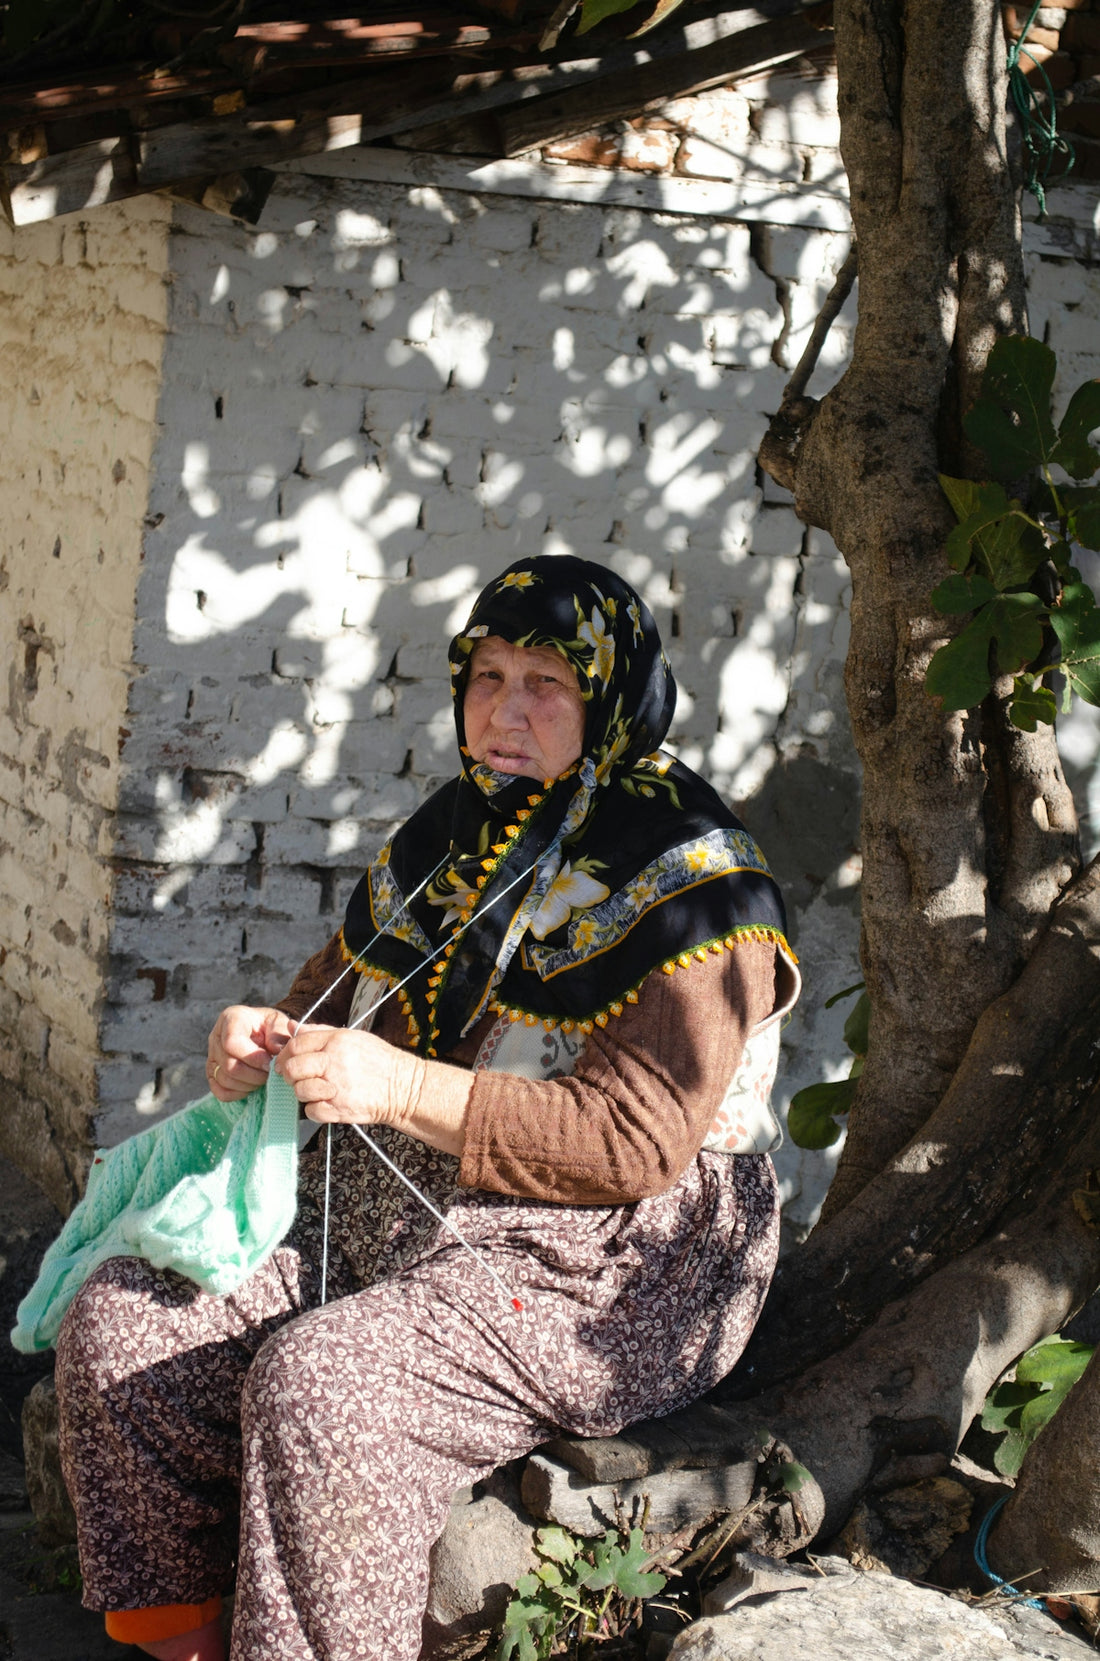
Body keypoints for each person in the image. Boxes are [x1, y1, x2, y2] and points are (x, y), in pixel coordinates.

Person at [54, 555, 799, 1661]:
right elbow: (333, 991)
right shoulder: (461, 828)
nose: (504, 709)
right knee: (121, 1319)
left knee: (327, 1387)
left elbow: (634, 1142)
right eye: (485, 673)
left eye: (545, 681)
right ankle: (185, 1638)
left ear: (609, 696)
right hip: (379, 1202)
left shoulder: (695, 882)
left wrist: (398, 1085)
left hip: (597, 1261)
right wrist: (256, 1042)